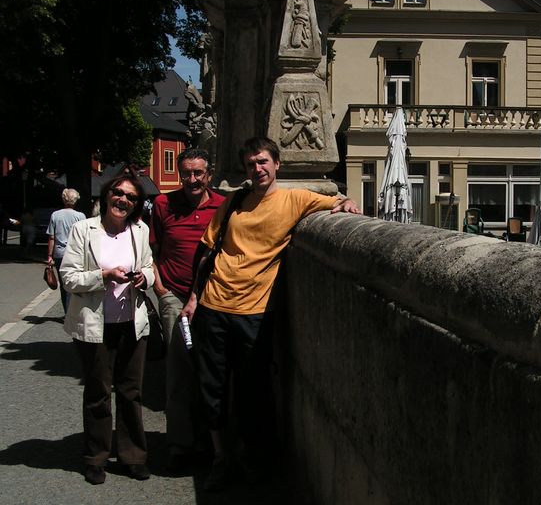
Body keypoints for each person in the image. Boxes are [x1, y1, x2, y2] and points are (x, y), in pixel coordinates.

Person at [181, 136, 360, 491]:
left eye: (262, 161)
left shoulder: (295, 199)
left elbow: (339, 200)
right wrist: (193, 297)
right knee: (211, 386)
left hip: (255, 312)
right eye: (250, 164)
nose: (257, 169)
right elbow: (207, 250)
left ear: (276, 164)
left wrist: (348, 201)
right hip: (215, 305)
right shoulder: (234, 202)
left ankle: (251, 460)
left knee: (253, 391)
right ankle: (221, 458)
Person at [60, 175, 155, 485]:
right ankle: (96, 459)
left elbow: (150, 266)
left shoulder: (140, 231)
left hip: (131, 322)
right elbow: (69, 278)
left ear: (136, 204)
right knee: (99, 393)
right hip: (95, 325)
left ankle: (133, 457)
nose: (122, 200)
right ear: (107, 194)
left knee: (131, 393)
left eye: (130, 196)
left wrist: (145, 279)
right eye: (118, 193)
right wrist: (103, 275)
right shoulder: (83, 229)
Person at [149, 148, 225, 471]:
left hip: (211, 297)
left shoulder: (222, 206)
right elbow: (149, 250)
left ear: (208, 174)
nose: (192, 179)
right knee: (178, 370)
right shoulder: (164, 204)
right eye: (186, 173)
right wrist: (161, 291)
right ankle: (180, 444)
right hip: (175, 297)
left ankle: (209, 442)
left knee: (210, 370)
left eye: (198, 173)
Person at [46, 188, 86, 314]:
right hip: (75, 253)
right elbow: (84, 237)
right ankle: (74, 311)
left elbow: (52, 237)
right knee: (75, 283)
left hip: (59, 253)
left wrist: (49, 256)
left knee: (64, 285)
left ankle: (67, 312)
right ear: (75, 200)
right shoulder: (80, 216)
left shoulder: (55, 215)